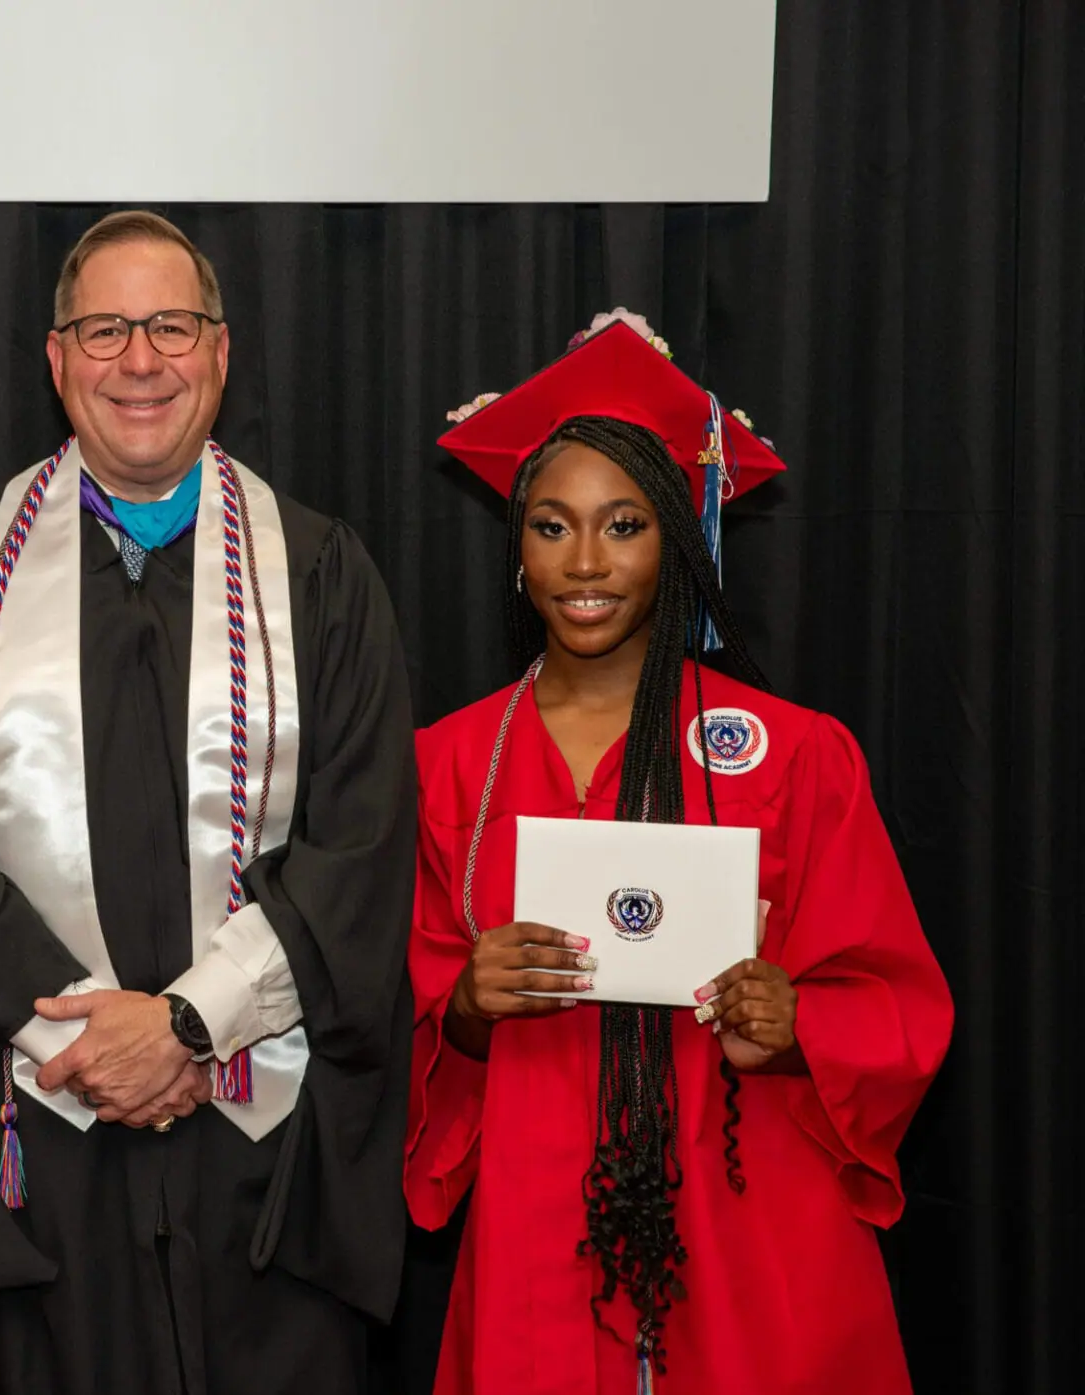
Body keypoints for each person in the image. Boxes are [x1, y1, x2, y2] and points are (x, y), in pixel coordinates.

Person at [0, 210, 415, 1395]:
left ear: (223, 351)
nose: (141, 361)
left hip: (257, 1127)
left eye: (172, 327)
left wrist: (189, 1024)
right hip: (31, 1126)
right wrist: (84, 1041)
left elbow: (360, 845)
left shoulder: (320, 572)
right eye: (106, 330)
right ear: (57, 360)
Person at [404, 310, 953, 1394]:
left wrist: (797, 1024)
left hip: (749, 1214)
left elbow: (895, 1001)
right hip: (534, 1226)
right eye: (551, 526)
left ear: (680, 542)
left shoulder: (793, 755)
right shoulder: (453, 763)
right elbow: (397, 1019)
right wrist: (464, 1007)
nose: (586, 562)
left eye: (626, 525)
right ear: (517, 550)